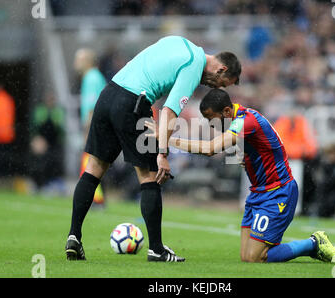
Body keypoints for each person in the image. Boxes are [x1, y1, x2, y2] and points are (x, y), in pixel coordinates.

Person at [65, 35, 242, 262]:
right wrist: (162, 154)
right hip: (133, 102)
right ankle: (156, 249)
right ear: (221, 69)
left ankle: (74, 236)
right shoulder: (194, 66)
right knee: (150, 176)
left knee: (94, 168)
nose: (215, 87)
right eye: (222, 83)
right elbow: (169, 111)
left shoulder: (179, 41)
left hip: (108, 94)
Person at [146, 89, 335, 264]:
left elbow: (210, 149)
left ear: (226, 112)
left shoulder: (245, 121)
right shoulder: (239, 121)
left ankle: (313, 243)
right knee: (247, 257)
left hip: (278, 192)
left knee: (258, 257)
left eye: (212, 119)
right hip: (258, 194)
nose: (211, 125)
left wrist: (166, 139)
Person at [74, 48, 107, 208]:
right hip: (98, 126)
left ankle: (96, 199)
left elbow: (93, 106)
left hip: (95, 126)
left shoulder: (92, 78)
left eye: (79, 59)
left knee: (90, 161)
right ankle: (96, 198)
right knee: (93, 161)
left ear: (87, 61)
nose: (76, 63)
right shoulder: (93, 77)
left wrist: (88, 129)